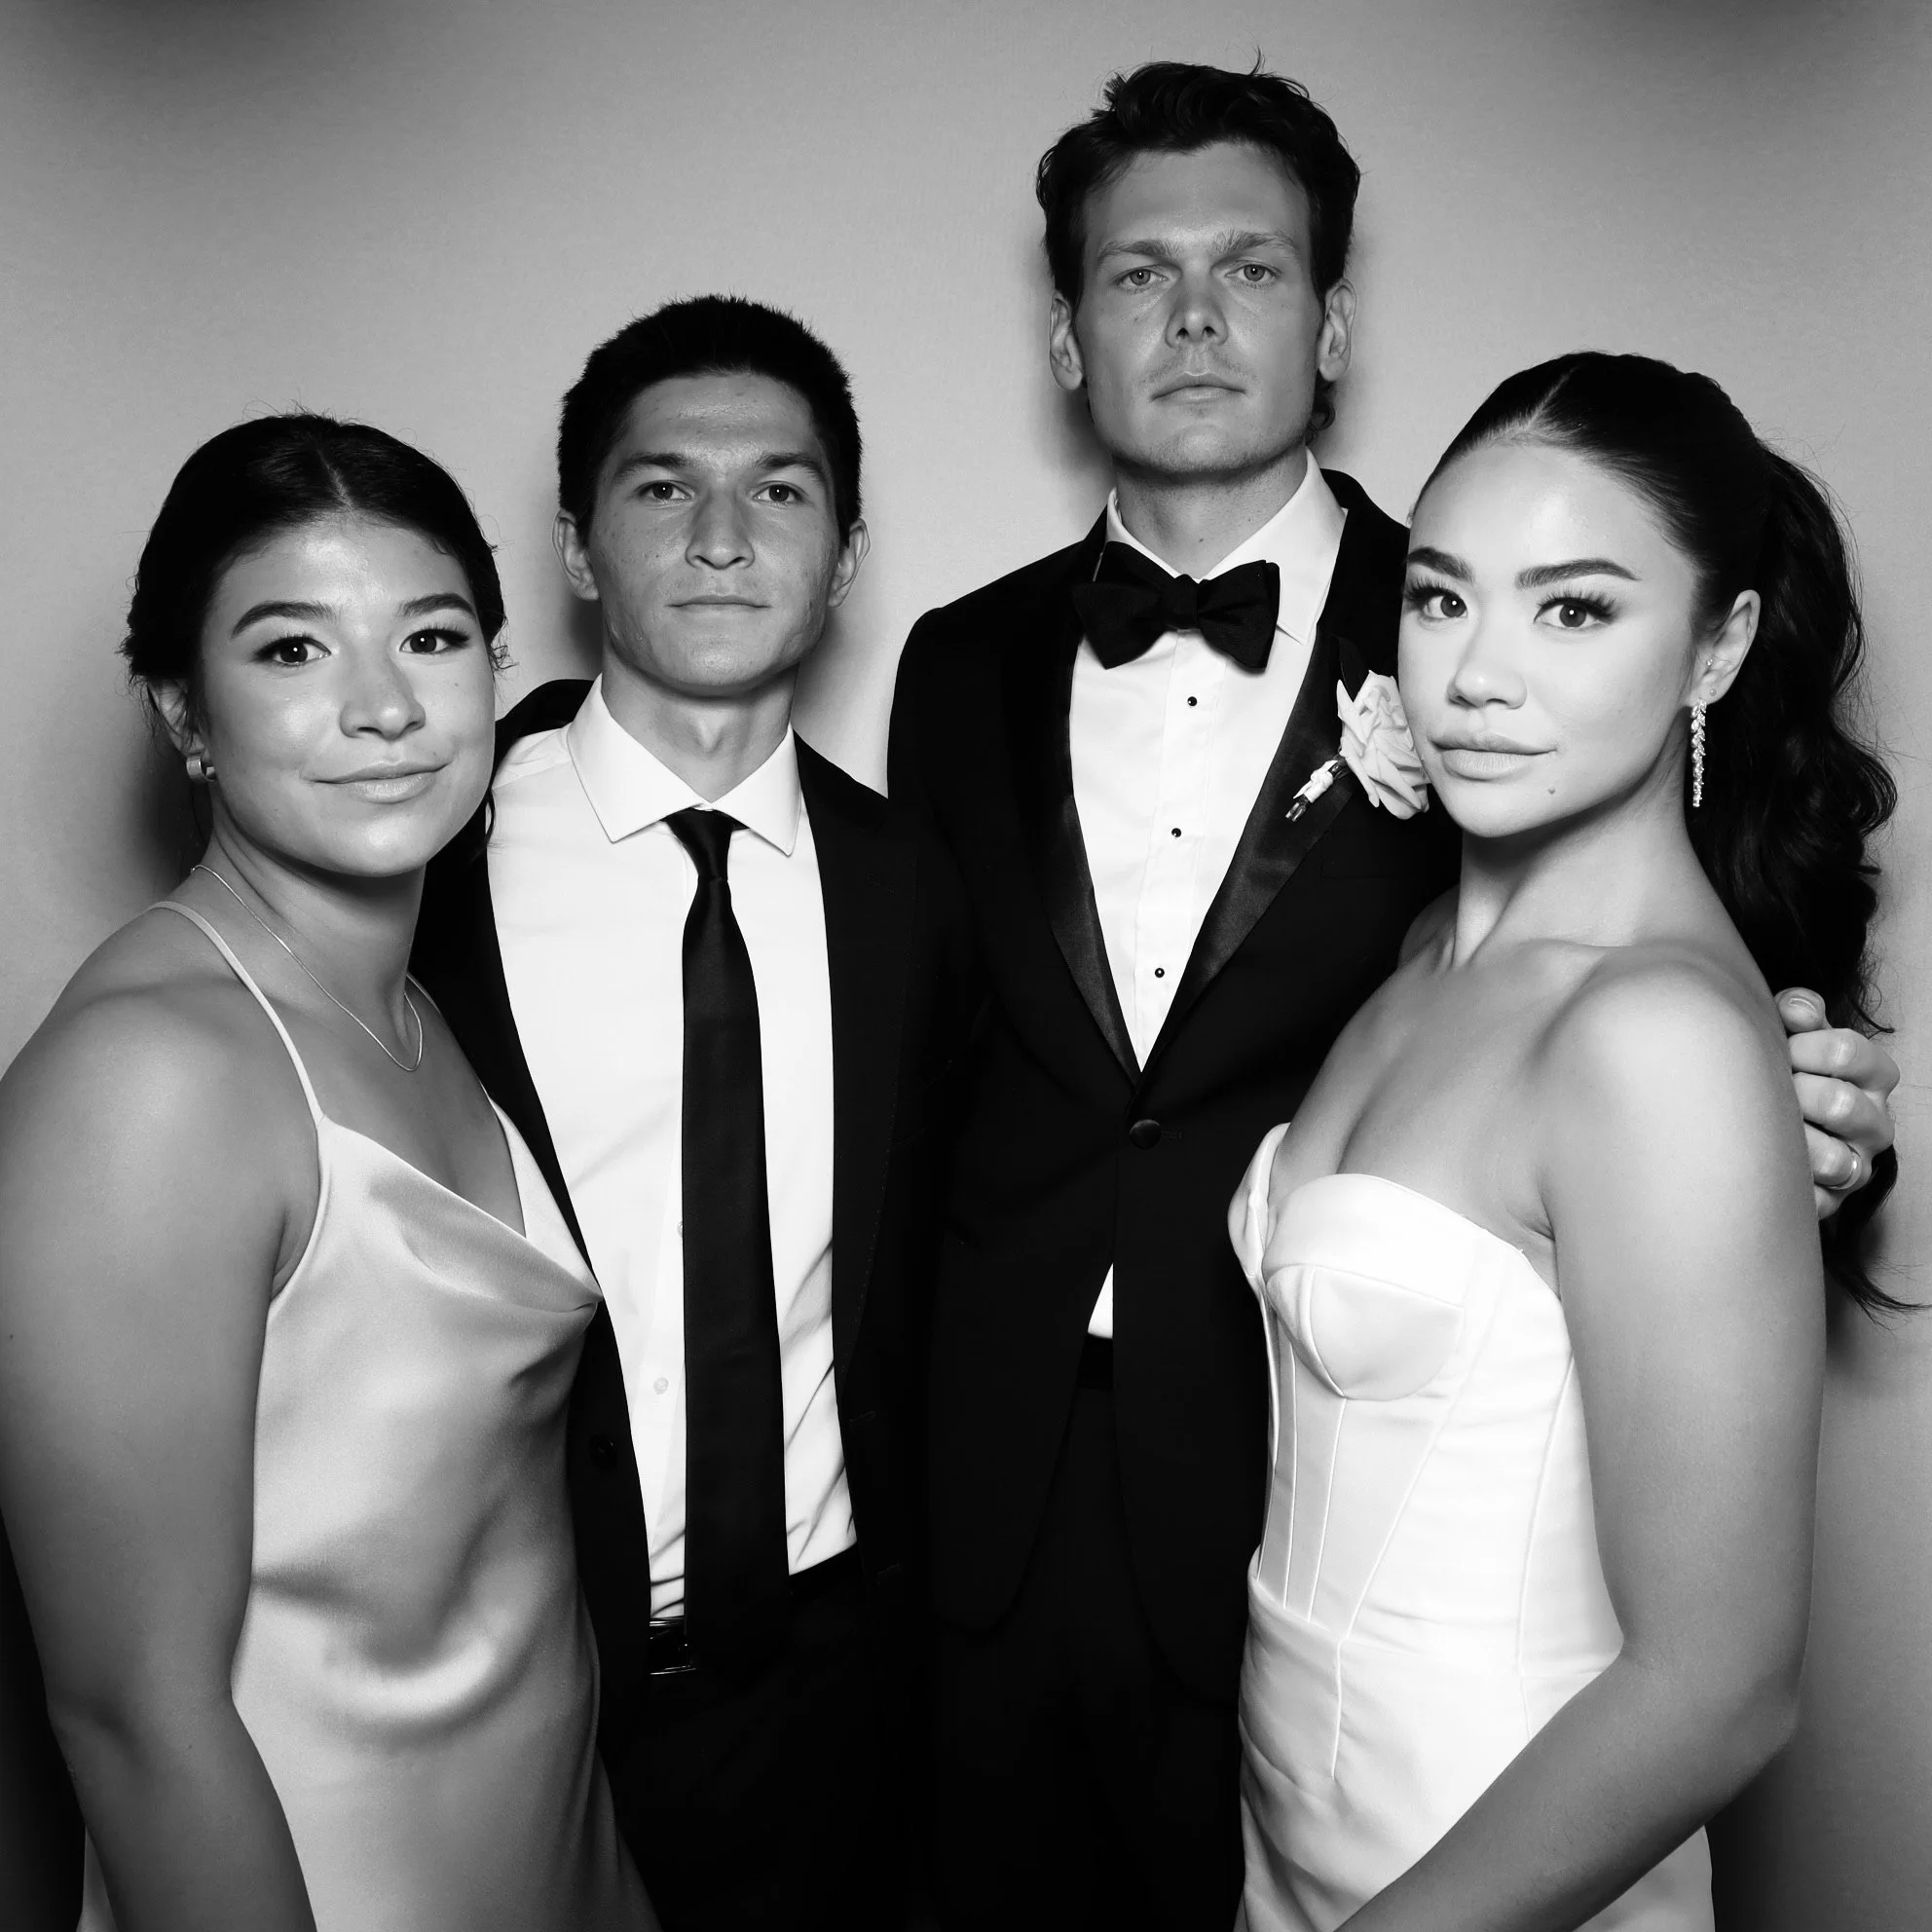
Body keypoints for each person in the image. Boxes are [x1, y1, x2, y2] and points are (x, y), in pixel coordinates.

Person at [887, 62, 1901, 1929]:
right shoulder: (957, 667)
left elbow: (1640, 1051)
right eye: (1137, 276)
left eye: (1252, 270)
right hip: (1008, 1507)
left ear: (1336, 320)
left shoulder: (1468, 629)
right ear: (1067, 331)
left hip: (1310, 1544)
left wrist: (1789, 1108)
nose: (1194, 317)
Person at [1228, 349, 1899, 1931]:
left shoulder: (1654, 1037)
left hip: (1498, 1863)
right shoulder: (1419, 963)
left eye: (1575, 610)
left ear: (1718, 646)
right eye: (1445, 599)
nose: (1476, 677)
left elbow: (1722, 1689)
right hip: (1298, 1815)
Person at [0, 417, 653, 1931]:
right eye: (292, 652)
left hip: (549, 1861)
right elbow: (129, 1714)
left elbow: (509, 1578)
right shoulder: (151, 1081)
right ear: (183, 706)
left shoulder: (420, 1010)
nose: (381, 708)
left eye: (430, 637)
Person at [413, 294, 966, 1931]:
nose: (723, 538)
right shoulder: (424, 858)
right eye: (664, 489)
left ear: (847, 551)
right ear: (578, 548)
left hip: (833, 1699)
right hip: (503, 1685)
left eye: (779, 491)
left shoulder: (916, 895)